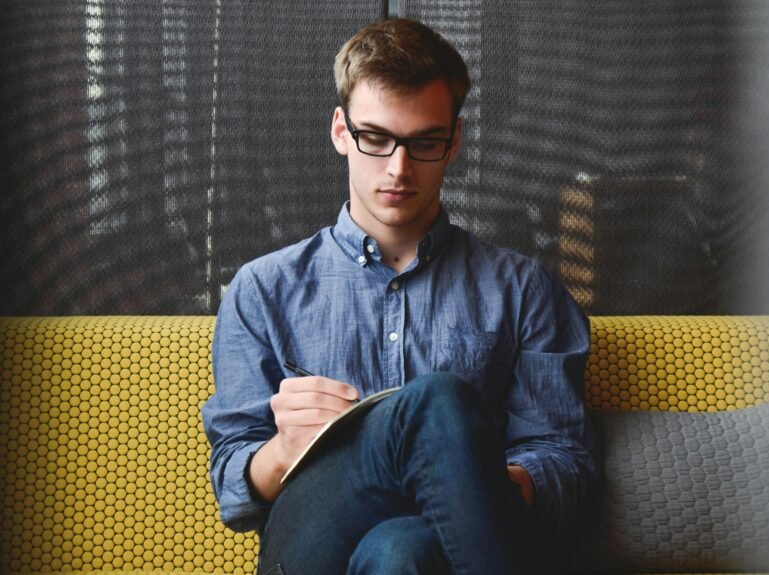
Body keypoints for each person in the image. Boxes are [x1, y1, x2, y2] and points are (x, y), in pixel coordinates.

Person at [202, 18, 596, 575]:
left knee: (400, 551)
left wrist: (462, 479)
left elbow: (565, 466)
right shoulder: (264, 288)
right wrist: (284, 450)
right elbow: (233, 487)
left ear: (454, 141)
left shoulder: (525, 289)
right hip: (310, 546)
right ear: (341, 131)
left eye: (424, 142)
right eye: (376, 137)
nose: (398, 167)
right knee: (436, 403)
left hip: (437, 550)